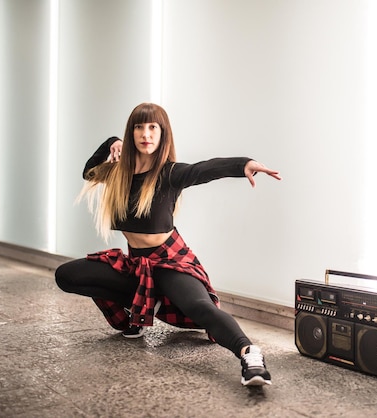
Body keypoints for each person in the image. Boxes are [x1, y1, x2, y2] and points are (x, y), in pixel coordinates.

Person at [55, 102, 281, 386]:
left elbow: (205, 169)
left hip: (171, 262)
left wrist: (243, 165)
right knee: (66, 275)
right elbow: (89, 172)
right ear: (131, 133)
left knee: (201, 307)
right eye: (139, 127)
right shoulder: (116, 174)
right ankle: (143, 307)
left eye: (153, 128)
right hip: (137, 266)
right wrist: (111, 143)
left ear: (163, 135)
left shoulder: (170, 173)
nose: (146, 134)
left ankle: (250, 356)